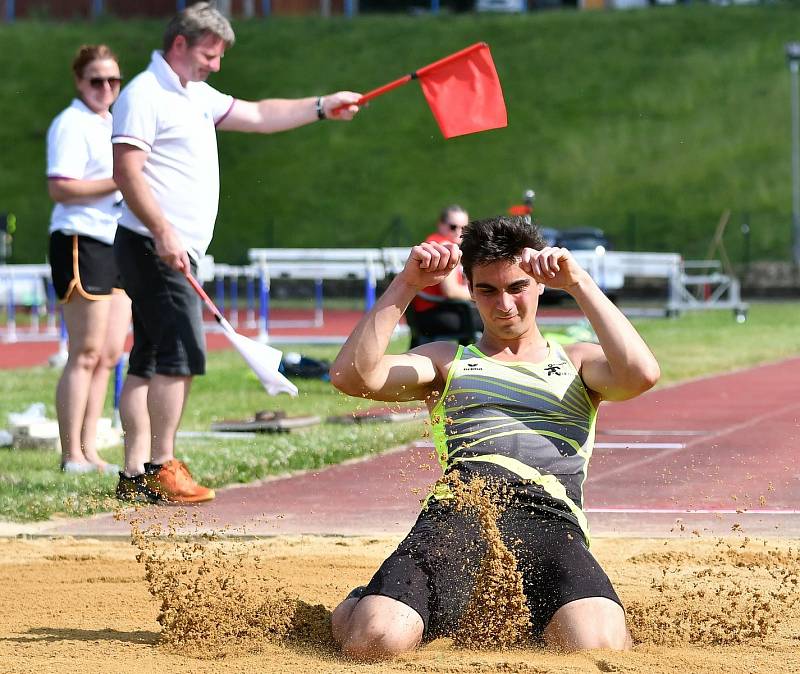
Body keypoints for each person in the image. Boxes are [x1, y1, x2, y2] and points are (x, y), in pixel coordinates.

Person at [329, 215, 660, 660]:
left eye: (517, 287)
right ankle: (363, 602)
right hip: (457, 518)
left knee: (592, 645)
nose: (504, 303)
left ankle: (530, 613)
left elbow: (642, 374)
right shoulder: (448, 361)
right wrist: (406, 284)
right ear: (469, 288)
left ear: (541, 285)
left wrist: (579, 282)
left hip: (550, 525)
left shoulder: (578, 362)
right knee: (375, 641)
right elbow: (352, 376)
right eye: (488, 289)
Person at [111, 2, 361, 504]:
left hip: (166, 245)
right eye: (209, 54)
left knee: (148, 359)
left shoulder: (194, 94)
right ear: (179, 44)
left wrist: (321, 106)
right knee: (179, 355)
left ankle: (135, 473)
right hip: (156, 245)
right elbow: (126, 170)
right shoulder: (145, 94)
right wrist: (162, 231)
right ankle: (161, 466)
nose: (216, 65)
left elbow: (260, 114)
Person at [46, 44, 132, 475]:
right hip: (83, 238)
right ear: (80, 81)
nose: (105, 88)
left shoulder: (113, 122)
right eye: (96, 80)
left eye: (113, 80)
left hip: (118, 238)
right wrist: (118, 180)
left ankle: (89, 449)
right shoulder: (71, 124)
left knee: (110, 354)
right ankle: (70, 454)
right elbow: (61, 187)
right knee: (85, 351)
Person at [409, 205, 482, 341]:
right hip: (435, 315)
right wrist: (483, 293)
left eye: (464, 228)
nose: (459, 232)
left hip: (425, 315)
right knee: (491, 317)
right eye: (453, 227)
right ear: (441, 225)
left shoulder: (433, 241)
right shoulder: (446, 248)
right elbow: (452, 291)